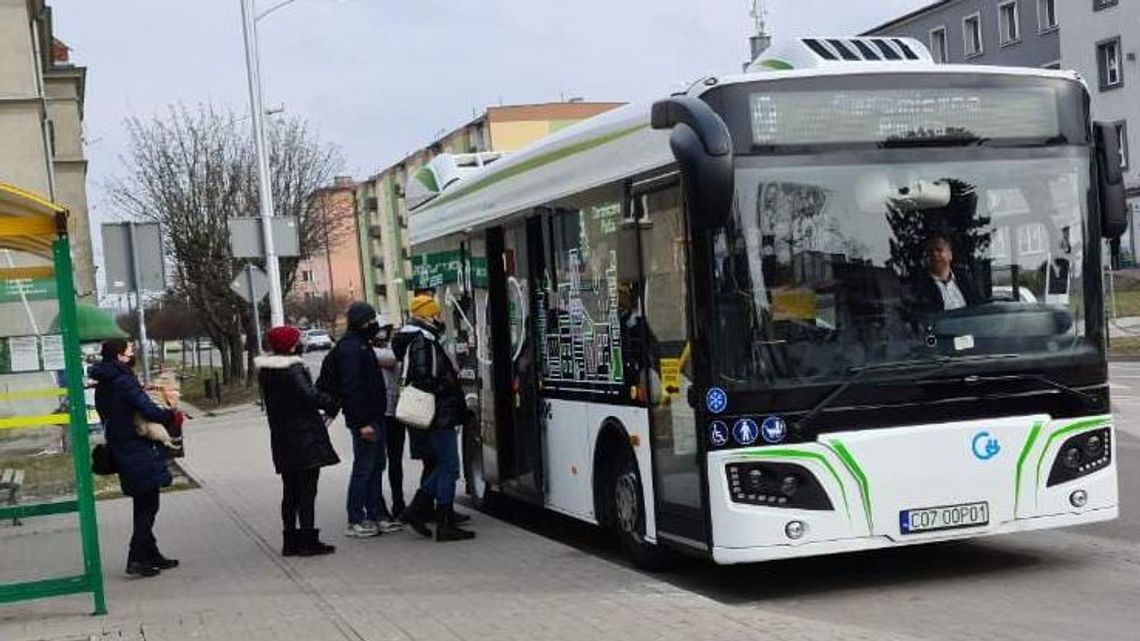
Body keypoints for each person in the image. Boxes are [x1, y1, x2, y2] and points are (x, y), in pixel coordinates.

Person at [89, 339, 184, 578]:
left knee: (144, 501)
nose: (133, 354)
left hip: (121, 444)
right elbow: (147, 409)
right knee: (148, 504)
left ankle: (151, 553)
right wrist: (170, 415)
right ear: (120, 356)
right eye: (130, 351)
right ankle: (136, 559)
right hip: (136, 447)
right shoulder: (123, 381)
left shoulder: (104, 382)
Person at [393, 294, 475, 542]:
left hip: (437, 413)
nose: (439, 318)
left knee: (444, 466)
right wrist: (446, 389)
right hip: (439, 413)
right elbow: (422, 377)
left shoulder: (417, 338)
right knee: (449, 467)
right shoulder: (422, 341)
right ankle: (442, 522)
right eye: (436, 313)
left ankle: (418, 510)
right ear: (427, 315)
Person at [256, 325, 340, 557]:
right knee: (306, 492)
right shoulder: (293, 369)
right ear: (290, 345)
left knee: (290, 491)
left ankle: (290, 540)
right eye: (297, 339)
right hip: (304, 438)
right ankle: (308, 541)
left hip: (282, 438)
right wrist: (331, 402)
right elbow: (309, 395)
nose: (301, 342)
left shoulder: (267, 371)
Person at [338, 301, 399, 537]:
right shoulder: (351, 348)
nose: (375, 325)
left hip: (376, 415)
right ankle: (356, 518)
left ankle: (376, 514)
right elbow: (352, 388)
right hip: (365, 419)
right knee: (364, 468)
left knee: (375, 467)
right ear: (363, 322)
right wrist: (361, 422)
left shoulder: (361, 344)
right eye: (371, 320)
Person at [373, 322, 407, 519]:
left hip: (394, 412)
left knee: (395, 461)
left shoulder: (384, 350)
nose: (383, 336)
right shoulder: (372, 352)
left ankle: (398, 502)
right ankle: (379, 506)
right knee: (379, 462)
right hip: (381, 413)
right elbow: (394, 358)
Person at [909, 232, 984, 314]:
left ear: (950, 255)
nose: (934, 254)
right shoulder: (920, 286)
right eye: (930, 251)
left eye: (939, 250)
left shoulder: (965, 281)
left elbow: (979, 306)